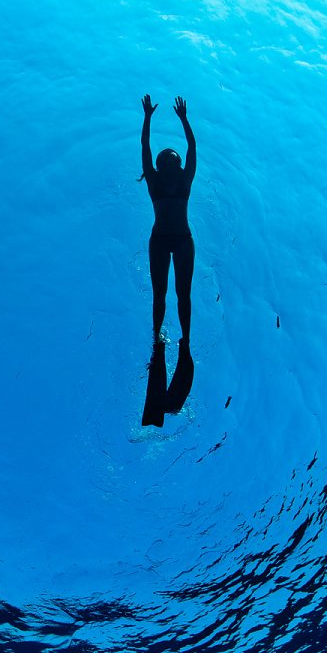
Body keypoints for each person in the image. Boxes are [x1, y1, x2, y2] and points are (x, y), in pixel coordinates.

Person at [140, 94, 196, 419]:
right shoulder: (155, 182)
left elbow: (191, 146)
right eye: (169, 158)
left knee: (182, 294)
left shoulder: (186, 180)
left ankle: (185, 340)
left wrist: (184, 119)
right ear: (163, 167)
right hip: (161, 241)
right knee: (160, 294)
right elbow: (145, 147)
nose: (174, 159)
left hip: (182, 240)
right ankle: (157, 338)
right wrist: (147, 117)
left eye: (175, 158)